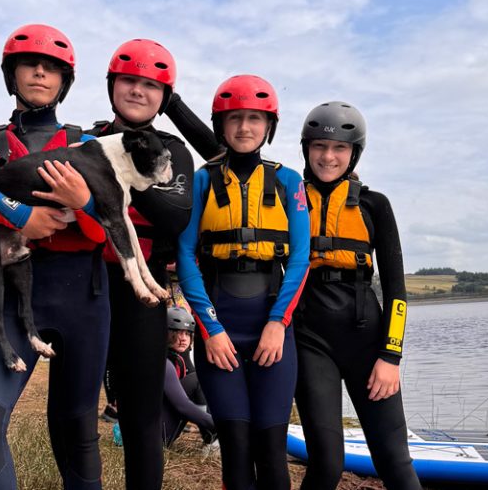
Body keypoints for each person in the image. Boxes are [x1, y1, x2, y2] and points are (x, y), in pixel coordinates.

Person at [0, 24, 109, 490]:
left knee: (76, 428)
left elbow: (102, 231)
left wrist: (86, 203)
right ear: (12, 75)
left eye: (51, 67)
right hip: (14, 298)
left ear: (63, 81)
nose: (39, 72)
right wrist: (20, 216)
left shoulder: (87, 144)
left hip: (84, 300)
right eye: (29, 64)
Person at [176, 75, 310, 490]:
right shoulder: (202, 179)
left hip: (272, 326)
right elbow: (186, 255)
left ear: (268, 125)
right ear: (221, 125)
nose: (244, 128)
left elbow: (302, 259)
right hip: (221, 327)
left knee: (270, 447)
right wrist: (211, 329)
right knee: (235, 444)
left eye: (254, 118)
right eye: (234, 119)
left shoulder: (289, 181)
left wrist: (278, 323)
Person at [293, 101, 422, 490]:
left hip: (367, 339)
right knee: (327, 465)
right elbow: (224, 150)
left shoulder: (374, 205)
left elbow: (397, 292)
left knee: (395, 461)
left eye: (339, 149)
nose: (328, 157)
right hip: (310, 339)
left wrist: (390, 356)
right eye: (319, 146)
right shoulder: (289, 199)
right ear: (306, 149)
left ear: (354, 153)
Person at [88, 38, 195, 490]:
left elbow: (177, 214)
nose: (138, 91)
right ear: (113, 85)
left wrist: (124, 171)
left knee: (141, 413)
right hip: (85, 283)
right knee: (76, 409)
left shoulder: (175, 151)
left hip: (142, 292)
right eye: (129, 81)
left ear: (164, 98)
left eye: (151, 85)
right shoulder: (85, 142)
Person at [161, 306, 216, 448]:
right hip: (153, 436)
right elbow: (182, 405)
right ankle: (212, 438)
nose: (183, 339)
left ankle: (211, 438)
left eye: (187, 333)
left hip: (160, 430)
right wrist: (222, 425)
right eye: (177, 333)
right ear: (165, 333)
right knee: (198, 380)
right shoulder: (162, 362)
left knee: (201, 378)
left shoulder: (177, 357)